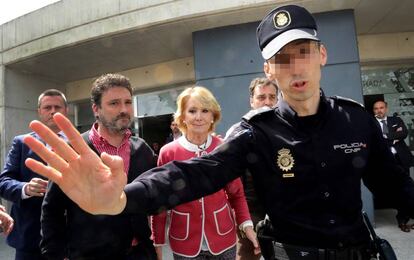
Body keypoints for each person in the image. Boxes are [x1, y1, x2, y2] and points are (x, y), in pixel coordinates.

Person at [22, 4, 414, 260]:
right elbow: (193, 172)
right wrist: (124, 198)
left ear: (323, 55)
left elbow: (392, 183)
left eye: (305, 52)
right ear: (267, 70)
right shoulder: (255, 132)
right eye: (281, 58)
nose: (295, 68)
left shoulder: (356, 120)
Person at [40, 74, 157, 259]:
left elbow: (153, 199)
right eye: (114, 103)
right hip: (89, 254)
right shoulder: (73, 150)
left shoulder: (143, 149)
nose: (124, 109)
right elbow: (52, 209)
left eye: (128, 102)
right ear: (96, 108)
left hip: (138, 252)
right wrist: (53, 254)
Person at [151, 86, 259, 259]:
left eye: (205, 110)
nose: (199, 117)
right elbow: (160, 202)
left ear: (212, 116)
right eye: (192, 111)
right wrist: (157, 241)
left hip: (223, 239)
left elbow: (236, 194)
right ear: (183, 117)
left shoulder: (224, 148)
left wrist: (247, 226)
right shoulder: (168, 153)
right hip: (184, 242)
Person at [0, 89, 68, 260]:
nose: (53, 111)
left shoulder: (81, 143)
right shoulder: (22, 143)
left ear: (66, 110)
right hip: (29, 237)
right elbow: (3, 182)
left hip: (69, 236)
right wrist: (25, 188)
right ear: (39, 111)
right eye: (47, 107)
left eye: (57, 107)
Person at [227, 78, 278, 260]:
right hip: (250, 212)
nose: (267, 102)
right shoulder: (237, 132)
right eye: (261, 97)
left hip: (282, 211)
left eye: (272, 97)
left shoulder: (287, 129)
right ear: (252, 101)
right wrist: (240, 217)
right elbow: (229, 177)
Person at [373, 100, 414, 232]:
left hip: (401, 159)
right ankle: (402, 218)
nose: (379, 110)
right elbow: (374, 140)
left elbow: (403, 133)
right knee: (397, 192)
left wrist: (386, 136)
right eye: (376, 109)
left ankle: (404, 219)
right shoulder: (371, 124)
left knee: (408, 189)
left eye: (381, 108)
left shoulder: (396, 119)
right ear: (374, 111)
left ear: (386, 108)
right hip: (386, 163)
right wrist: (393, 137)